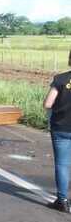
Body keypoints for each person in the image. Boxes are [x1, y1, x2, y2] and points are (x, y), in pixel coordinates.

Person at [43, 49, 71, 213]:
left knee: (62, 164)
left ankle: (62, 201)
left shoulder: (60, 79)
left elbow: (48, 104)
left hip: (60, 127)